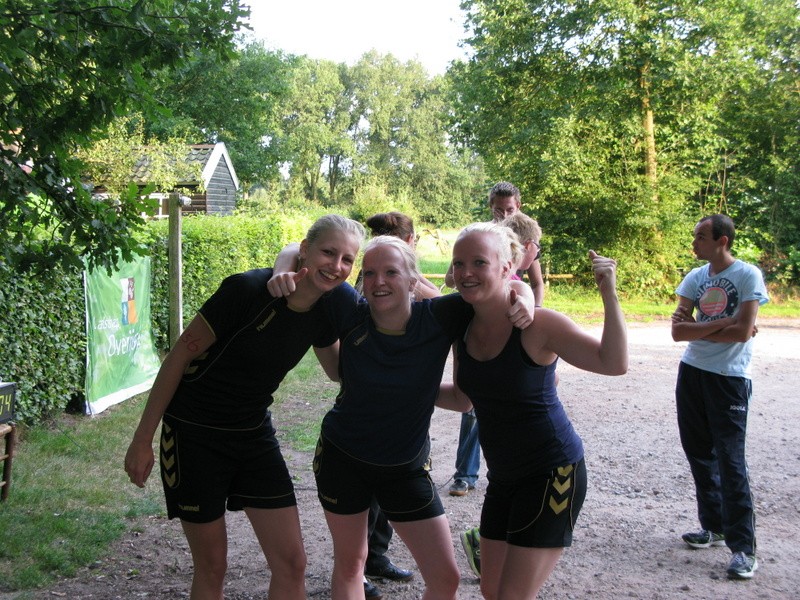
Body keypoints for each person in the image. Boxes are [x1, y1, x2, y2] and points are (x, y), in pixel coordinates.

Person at [268, 234, 535, 599]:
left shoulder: (442, 316)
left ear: (413, 281)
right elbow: (298, 253)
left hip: (405, 467)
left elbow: (501, 288)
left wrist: (527, 297)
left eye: (391, 272)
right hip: (342, 458)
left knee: (445, 578)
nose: (378, 281)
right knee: (351, 564)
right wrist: (282, 269)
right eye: (369, 273)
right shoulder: (349, 308)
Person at [123, 214, 365, 600]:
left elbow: (338, 371)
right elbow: (178, 358)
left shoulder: (333, 303)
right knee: (212, 566)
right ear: (305, 250)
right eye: (328, 252)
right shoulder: (247, 290)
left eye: (347, 259)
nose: (336, 266)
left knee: (292, 563)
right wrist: (142, 440)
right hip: (194, 435)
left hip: (253, 434)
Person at [449, 222, 628, 599]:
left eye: (479, 262)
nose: (466, 272)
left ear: (505, 267)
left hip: (552, 472)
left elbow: (613, 362)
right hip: (503, 478)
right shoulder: (462, 328)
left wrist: (609, 294)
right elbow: (465, 399)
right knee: (491, 590)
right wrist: (404, 391)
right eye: (459, 263)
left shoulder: (539, 324)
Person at [670, 214, 768, 580]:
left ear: (722, 240)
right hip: (692, 371)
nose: (694, 242)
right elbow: (678, 333)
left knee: (730, 459)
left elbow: (742, 333)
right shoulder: (695, 278)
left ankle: (743, 549)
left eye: (701, 236)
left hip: (729, 378)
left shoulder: (747, 275)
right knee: (698, 451)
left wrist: (702, 328)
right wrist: (723, 323)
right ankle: (713, 526)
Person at [446, 182, 546, 500]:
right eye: (498, 209)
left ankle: (518, 467)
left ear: (518, 207)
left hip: (513, 324)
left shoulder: (524, 235)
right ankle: (465, 474)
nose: (503, 215)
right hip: (477, 325)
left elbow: (533, 281)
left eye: (509, 209)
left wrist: (531, 309)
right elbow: (451, 277)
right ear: (490, 207)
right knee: (470, 400)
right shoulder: (478, 237)